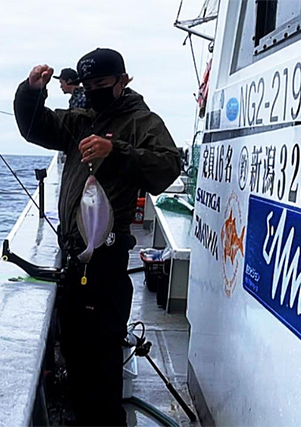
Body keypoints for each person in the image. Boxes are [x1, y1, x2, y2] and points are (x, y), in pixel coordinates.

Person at [14, 48, 180, 426]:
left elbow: (167, 167)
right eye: (88, 86)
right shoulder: (82, 118)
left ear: (124, 80)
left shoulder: (142, 121)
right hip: (76, 258)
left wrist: (115, 150)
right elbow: (34, 127)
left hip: (105, 261)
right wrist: (31, 91)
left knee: (101, 364)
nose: (93, 91)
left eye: (102, 84)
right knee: (76, 354)